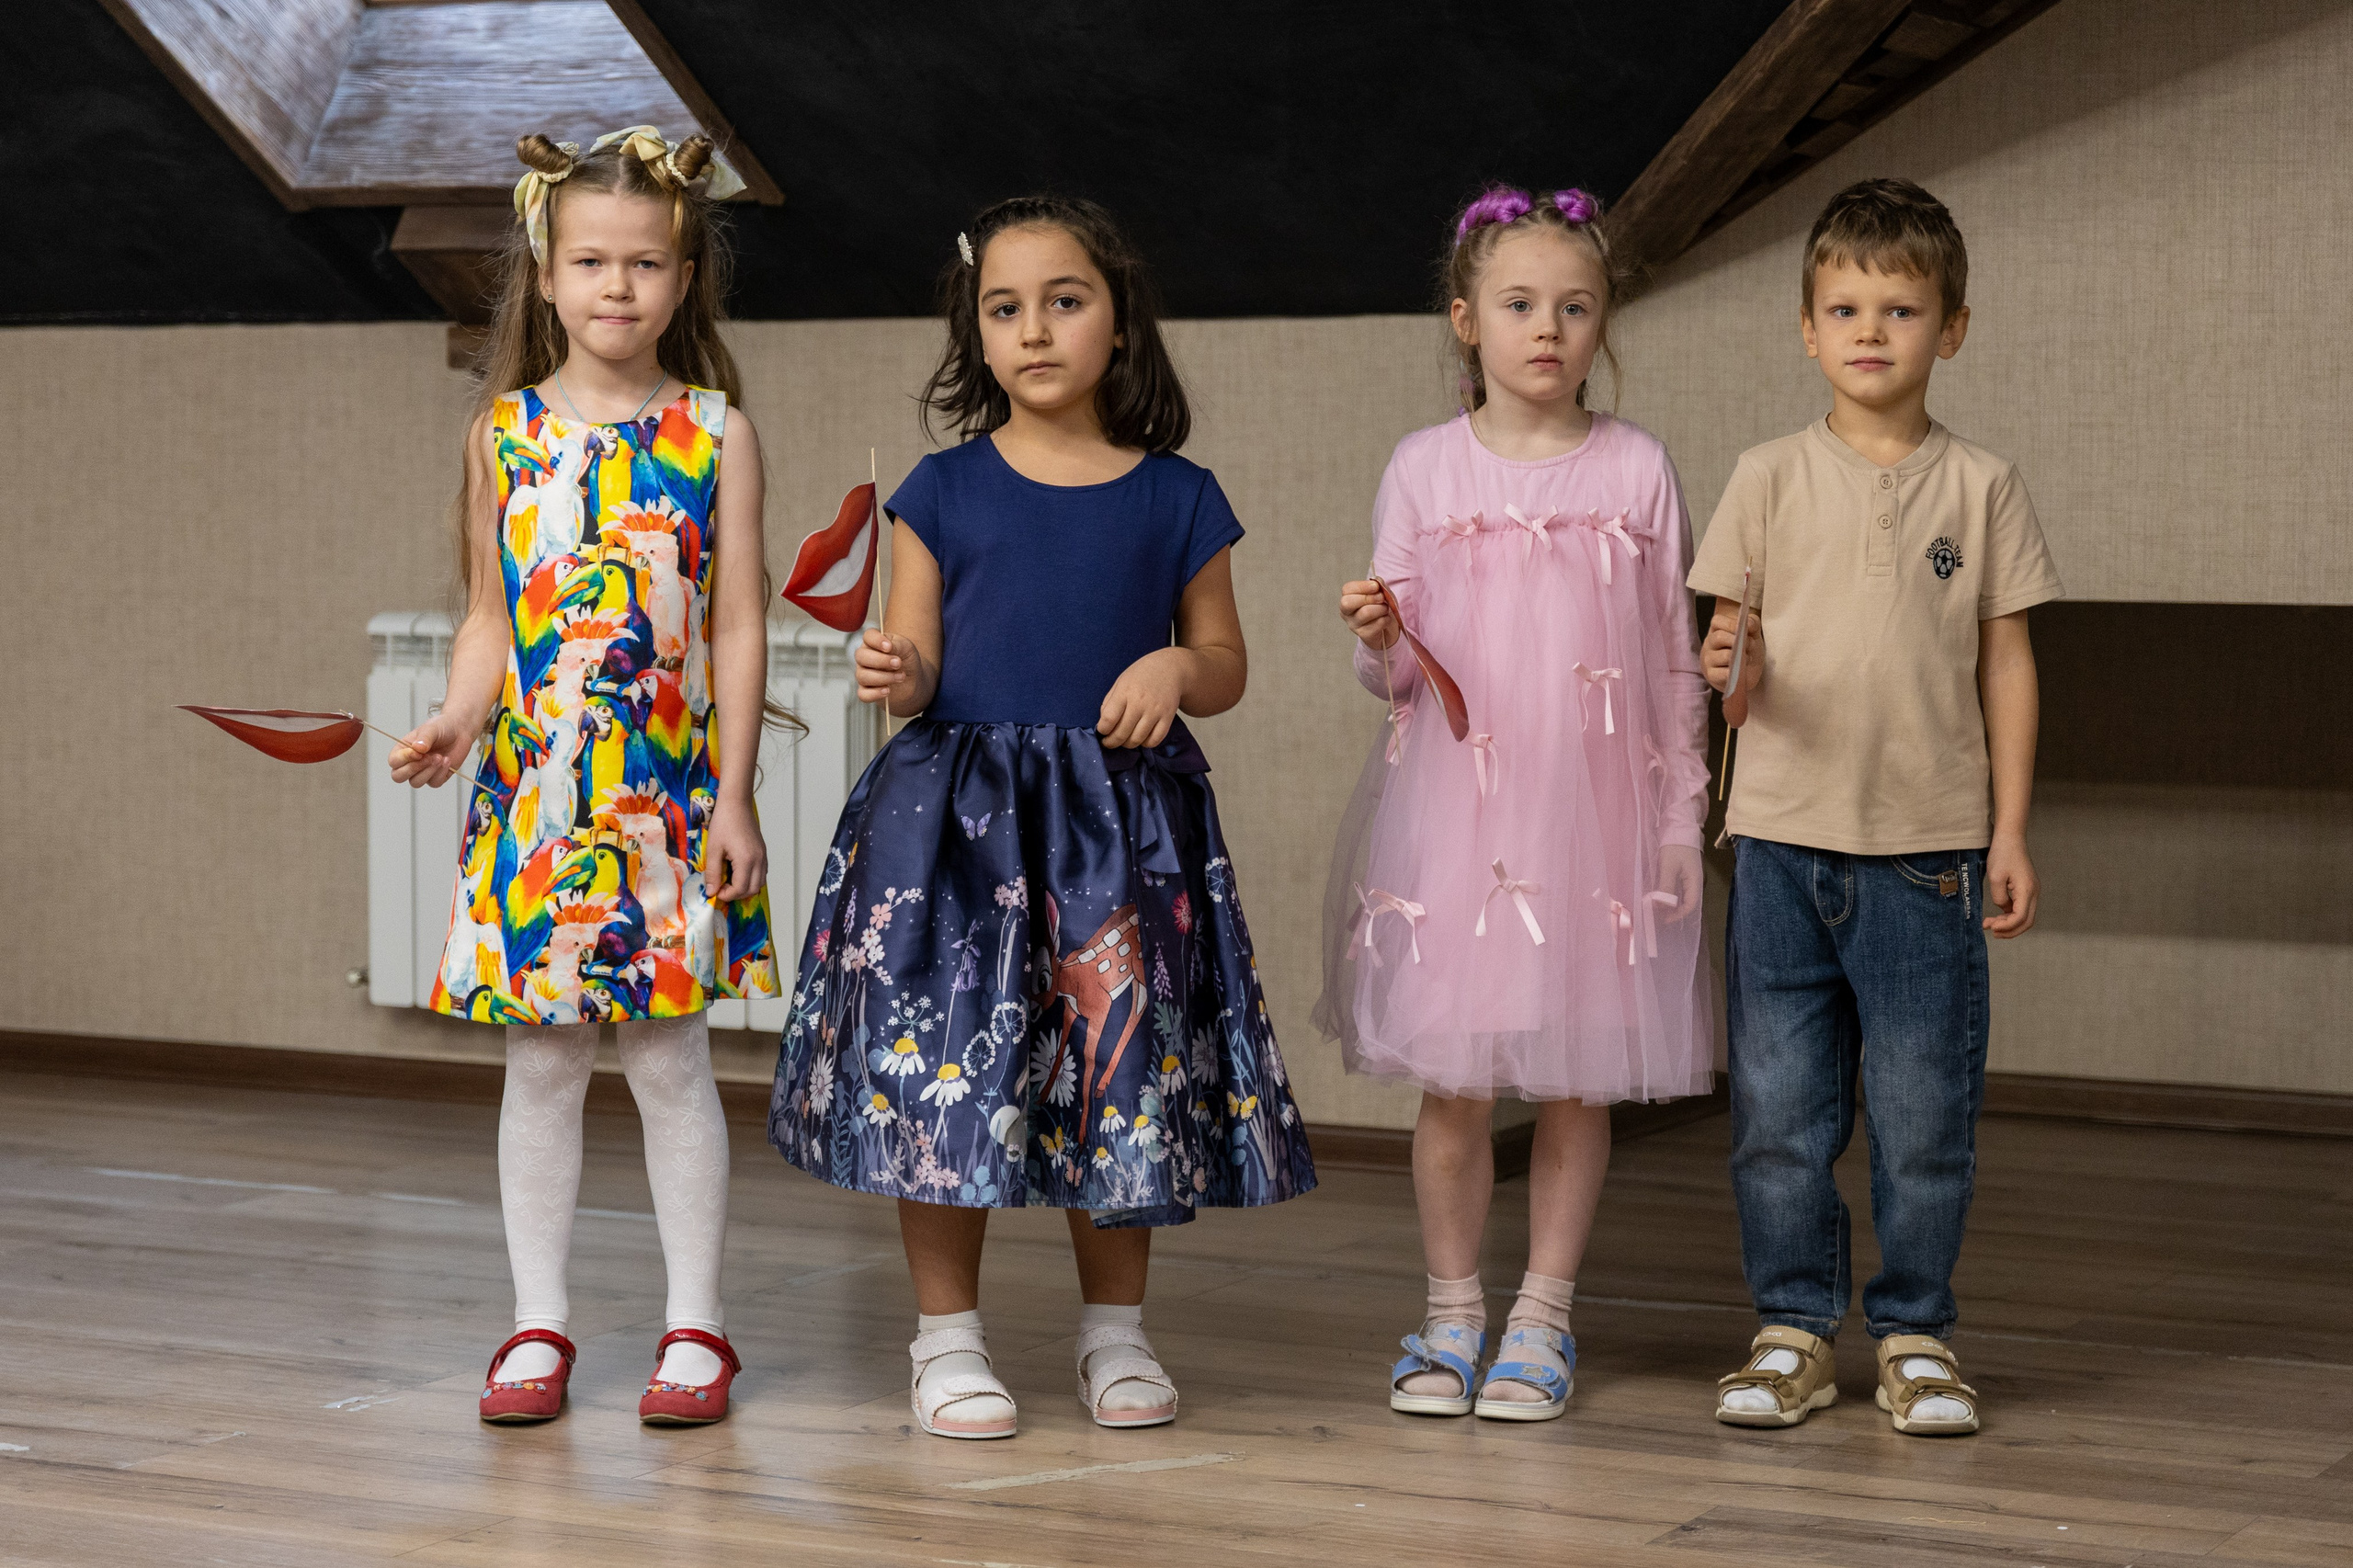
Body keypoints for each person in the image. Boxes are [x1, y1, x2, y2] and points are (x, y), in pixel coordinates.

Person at [767, 196, 1316, 1440]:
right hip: (956, 829)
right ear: (977, 331)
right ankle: (945, 1340)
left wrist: (1177, 671)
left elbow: (1223, 659)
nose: (1033, 329)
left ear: (1118, 323)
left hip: (1115, 831)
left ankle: (1114, 1335)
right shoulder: (939, 490)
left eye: (1063, 301)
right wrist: (894, 671)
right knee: (944, 1075)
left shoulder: (1178, 497)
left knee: (1116, 1072)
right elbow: (915, 650)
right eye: (1003, 309)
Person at [390, 126, 778, 1426]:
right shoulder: (498, 434)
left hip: (663, 798)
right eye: (593, 262)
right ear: (546, 275)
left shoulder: (718, 431)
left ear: (685, 277)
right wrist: (455, 715)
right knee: (542, 1067)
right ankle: (537, 1323)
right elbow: (490, 613)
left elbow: (735, 624)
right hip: (535, 803)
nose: (620, 287)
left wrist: (731, 797)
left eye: (648, 264)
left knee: (670, 1062)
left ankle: (697, 1328)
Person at [1321, 186, 1712, 1422]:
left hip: (1595, 825)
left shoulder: (1638, 468)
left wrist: (1678, 816)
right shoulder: (1424, 468)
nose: (1549, 328)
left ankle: (1543, 1318)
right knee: (1457, 1083)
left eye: (1577, 306)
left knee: (1577, 1081)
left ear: (1603, 326)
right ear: (1466, 320)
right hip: (1463, 825)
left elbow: (1668, 660)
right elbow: (1396, 678)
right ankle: (1448, 1315)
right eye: (1521, 304)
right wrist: (1378, 634)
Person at [1693, 177, 2062, 1437]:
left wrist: (2009, 829)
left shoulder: (1983, 485)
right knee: (1781, 1121)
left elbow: (2007, 661)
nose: (1870, 328)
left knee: (1923, 1117)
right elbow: (1731, 669)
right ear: (1807, 328)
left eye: (1900, 307)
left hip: (1932, 858)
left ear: (1950, 327)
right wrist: (1729, 670)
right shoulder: (1764, 477)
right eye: (1844, 305)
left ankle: (1916, 1333)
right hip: (1784, 849)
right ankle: (1793, 1328)